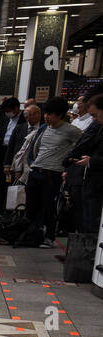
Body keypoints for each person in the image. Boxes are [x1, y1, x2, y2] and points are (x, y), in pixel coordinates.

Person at [21, 95, 82, 247]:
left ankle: (49, 237)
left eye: (50, 114)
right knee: (31, 205)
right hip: (36, 171)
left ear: (60, 115)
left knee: (49, 207)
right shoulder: (43, 128)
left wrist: (69, 164)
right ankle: (31, 233)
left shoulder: (72, 131)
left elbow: (81, 148)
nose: (46, 117)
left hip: (53, 174)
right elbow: (34, 147)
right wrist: (31, 163)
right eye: (45, 113)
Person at [65, 93, 103, 243]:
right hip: (90, 182)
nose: (94, 119)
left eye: (95, 115)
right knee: (86, 221)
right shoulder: (98, 127)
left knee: (93, 223)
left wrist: (92, 161)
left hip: (99, 185)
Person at [0, 96, 24, 217]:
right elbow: (4, 132)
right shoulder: (6, 118)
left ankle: (7, 210)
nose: (7, 113)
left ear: (17, 108)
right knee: (1, 181)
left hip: (14, 154)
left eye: (9, 110)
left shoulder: (24, 119)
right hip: (3, 151)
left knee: (10, 183)